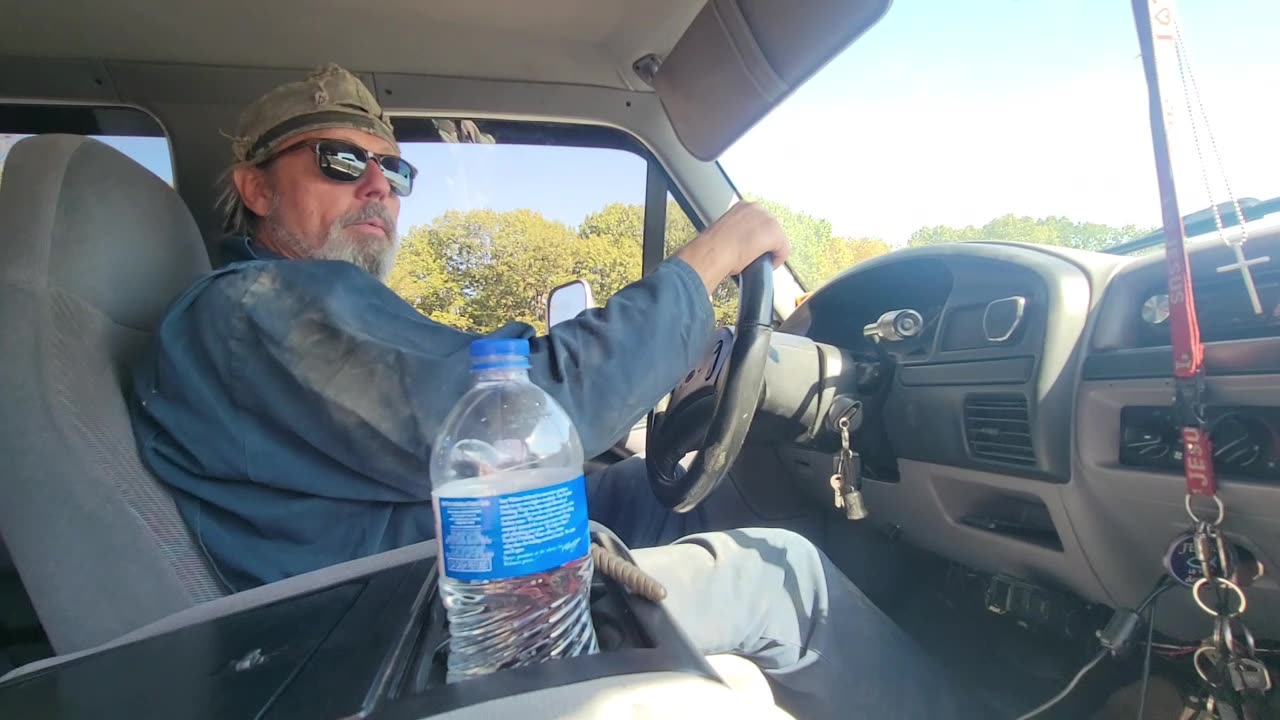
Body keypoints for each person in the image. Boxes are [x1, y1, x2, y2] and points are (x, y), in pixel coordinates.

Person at [130, 64, 972, 719]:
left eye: (393, 168)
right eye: (341, 160)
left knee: (667, 492)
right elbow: (517, 416)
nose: (378, 185)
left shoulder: (285, 317)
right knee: (782, 573)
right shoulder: (259, 310)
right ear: (255, 188)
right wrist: (714, 258)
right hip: (420, 634)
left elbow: (483, 387)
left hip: (422, 578)